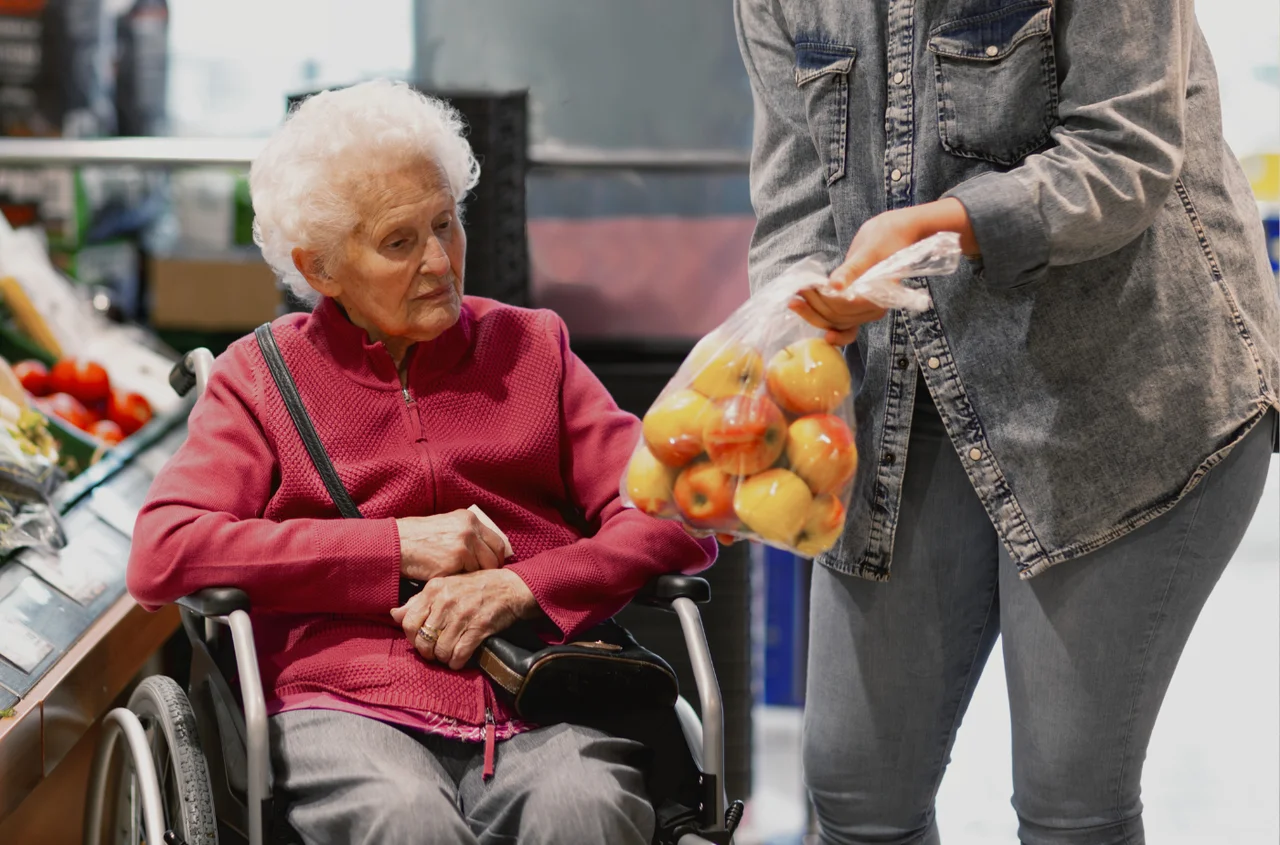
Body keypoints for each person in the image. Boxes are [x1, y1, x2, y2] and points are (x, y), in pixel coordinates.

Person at [734, 1, 1280, 843]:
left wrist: (952, 225)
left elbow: (1125, 148)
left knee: (1071, 803)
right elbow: (796, 203)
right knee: (854, 791)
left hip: (1121, 391)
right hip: (908, 389)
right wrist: (782, 352)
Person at [127, 79, 715, 845]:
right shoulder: (260, 378)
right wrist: (393, 546)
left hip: (541, 686)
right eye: (400, 242)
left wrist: (523, 584)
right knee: (405, 821)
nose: (440, 261)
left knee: (586, 810)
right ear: (321, 267)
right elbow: (164, 551)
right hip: (343, 701)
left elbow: (674, 515)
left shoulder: (534, 348)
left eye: (446, 223)